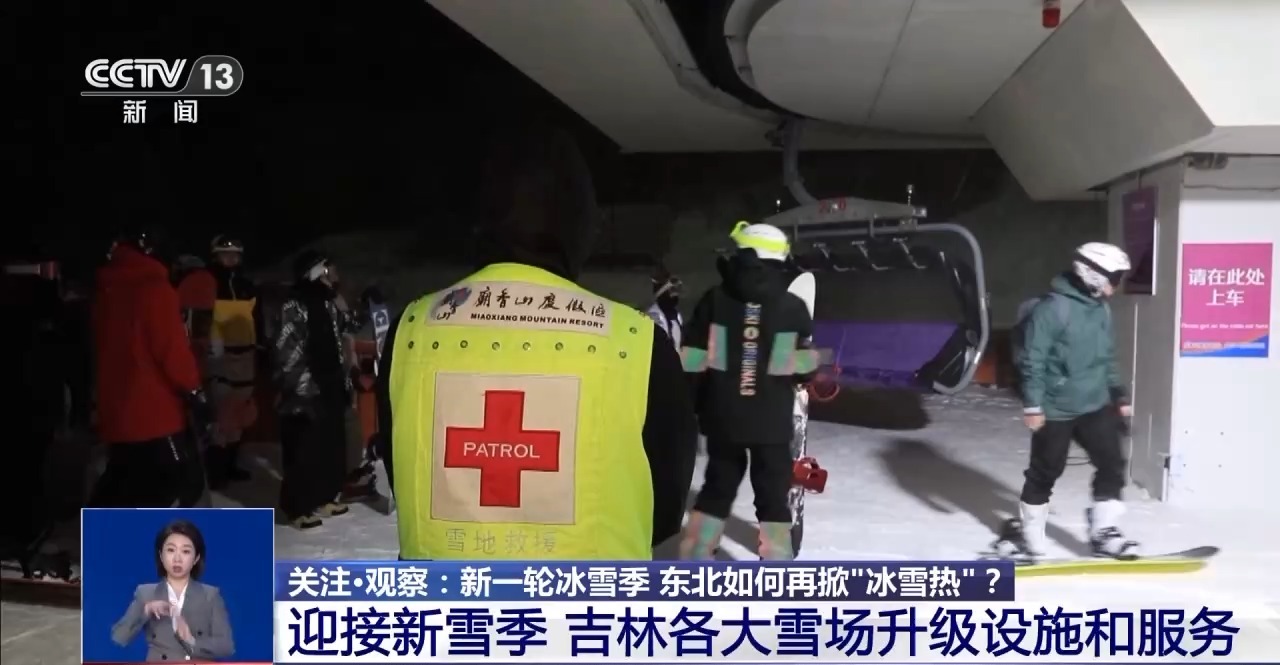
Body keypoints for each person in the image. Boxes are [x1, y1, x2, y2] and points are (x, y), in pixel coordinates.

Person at [375, 127, 698, 560]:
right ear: (579, 223)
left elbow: (401, 471)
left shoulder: (411, 330)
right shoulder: (637, 342)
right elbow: (665, 510)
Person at [679, 221, 818, 561]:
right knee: (773, 498)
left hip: (723, 418)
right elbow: (800, 367)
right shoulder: (791, 307)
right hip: (771, 421)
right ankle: (776, 566)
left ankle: (696, 558)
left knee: (716, 490)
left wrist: (697, 403)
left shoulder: (715, 300)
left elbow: (693, 359)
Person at [1000, 241, 1137, 560]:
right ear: (1092, 274)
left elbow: (1106, 356)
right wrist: (1033, 404)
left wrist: (1117, 392)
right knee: (1045, 472)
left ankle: (1104, 531)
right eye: (1114, 277)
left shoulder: (1100, 308)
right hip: (1056, 408)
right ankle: (1030, 538)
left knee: (1112, 464)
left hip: (1095, 403)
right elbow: (1033, 361)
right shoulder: (1052, 310)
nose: (1117, 285)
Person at [89, 229, 212, 508]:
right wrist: (194, 390)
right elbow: (172, 350)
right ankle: (143, 533)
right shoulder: (155, 289)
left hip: (117, 410)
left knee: (123, 478)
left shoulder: (106, 290)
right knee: (176, 479)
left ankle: (101, 532)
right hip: (155, 412)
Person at [274, 250, 355, 529]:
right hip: (306, 387)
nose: (333, 274)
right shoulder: (294, 305)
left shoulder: (329, 302)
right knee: (304, 450)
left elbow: (347, 331)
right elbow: (287, 349)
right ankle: (297, 507)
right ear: (315, 273)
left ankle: (324, 497)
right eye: (328, 270)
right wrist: (303, 387)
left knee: (330, 445)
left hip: (331, 383)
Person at [111, 519, 235, 661]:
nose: (177, 559)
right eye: (170, 550)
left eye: (185, 551)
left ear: (196, 558)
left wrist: (192, 641)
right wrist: (145, 611)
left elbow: (227, 646)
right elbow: (119, 636)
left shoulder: (210, 595)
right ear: (161, 555)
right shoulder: (146, 593)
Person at [206, 235, 264, 489]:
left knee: (240, 414)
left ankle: (231, 465)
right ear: (215, 256)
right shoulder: (208, 285)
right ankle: (215, 470)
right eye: (225, 254)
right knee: (221, 416)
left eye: (235, 255)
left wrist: (262, 346)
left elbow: (257, 320)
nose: (230, 259)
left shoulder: (247, 286)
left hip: (246, 357)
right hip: (220, 358)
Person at [645, 267, 683, 350]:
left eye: (676, 293)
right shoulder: (653, 316)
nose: (675, 296)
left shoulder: (677, 315)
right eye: (671, 293)